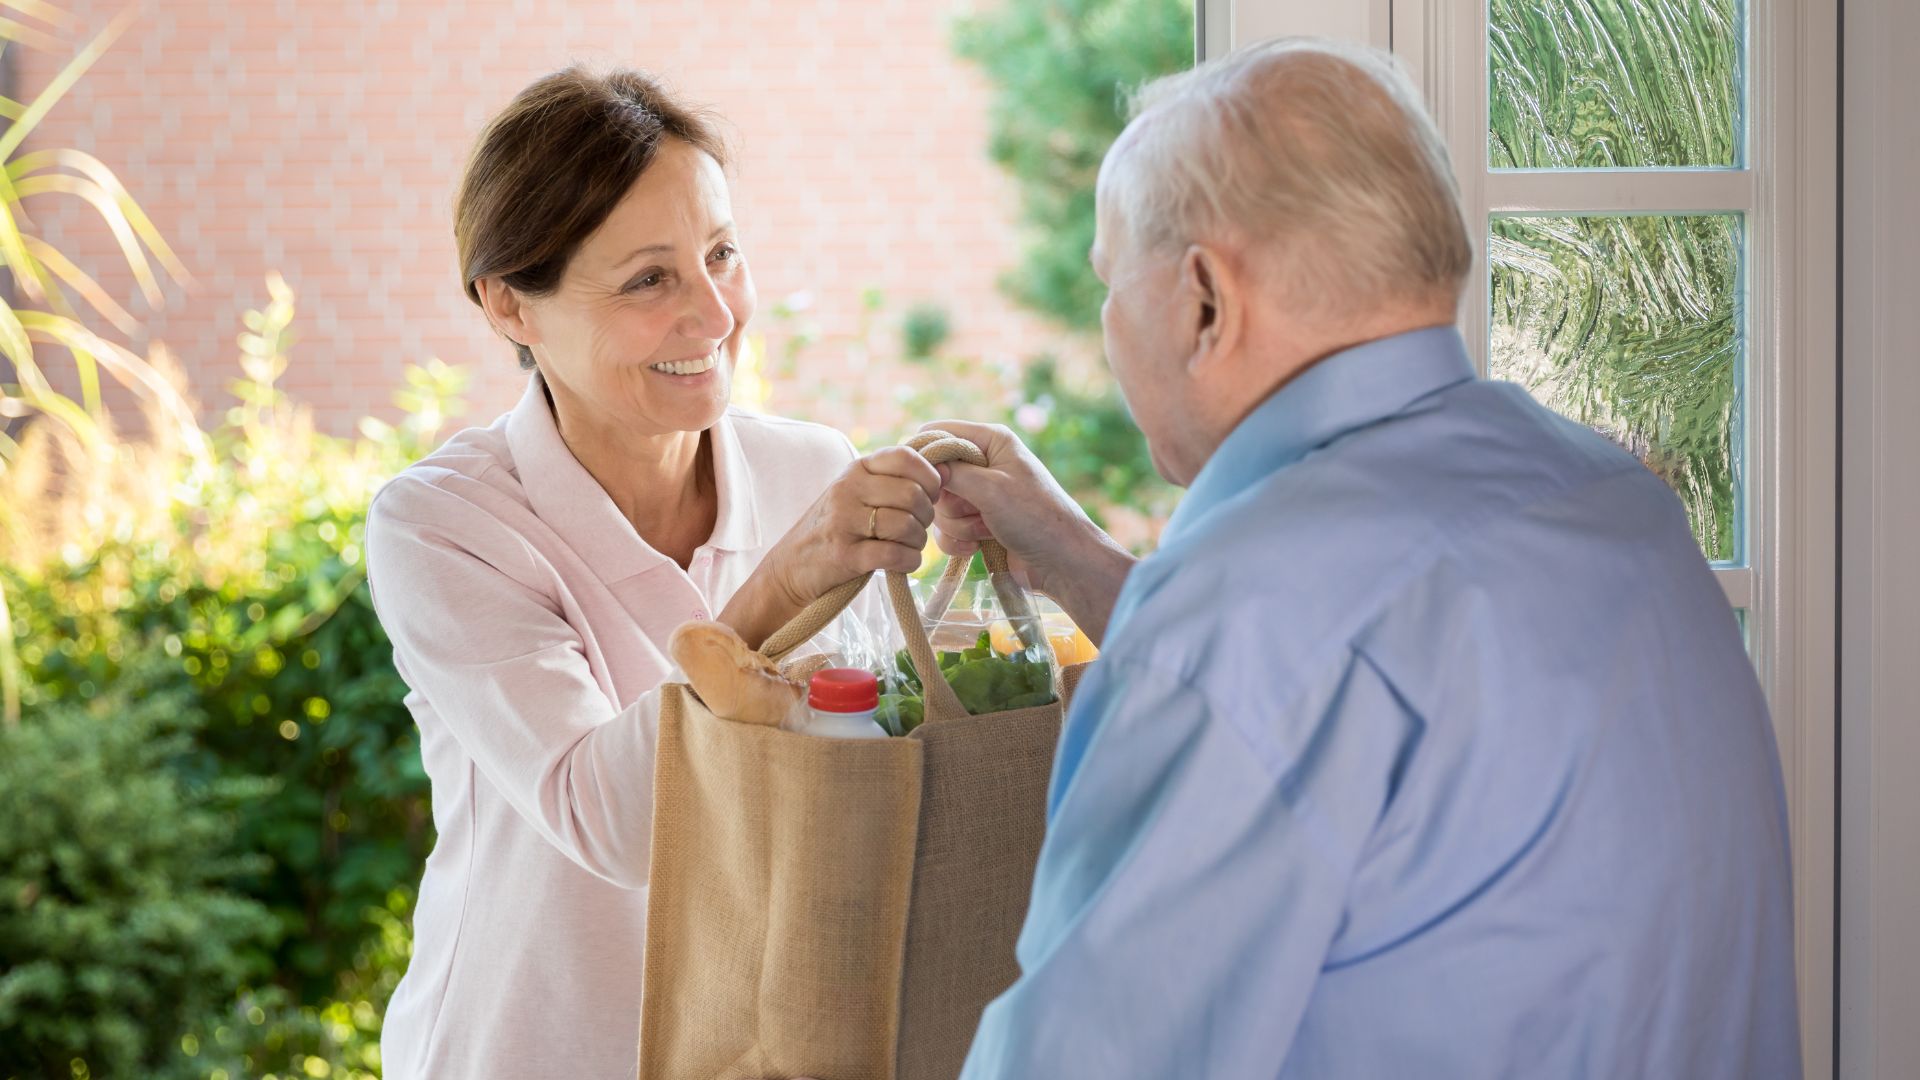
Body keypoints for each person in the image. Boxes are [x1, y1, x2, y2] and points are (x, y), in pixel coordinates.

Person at [930, 38, 1801, 1078]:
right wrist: (1076, 557)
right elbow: (1364, 712)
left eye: (1111, 284)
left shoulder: (1243, 623)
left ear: (1205, 300)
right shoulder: (1618, 508)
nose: (1108, 325)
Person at [363, 68, 940, 1080]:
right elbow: (613, 824)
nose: (715, 314)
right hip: (529, 1049)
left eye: (722, 254)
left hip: (764, 1046)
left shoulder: (810, 470)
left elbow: (872, 760)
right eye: (649, 280)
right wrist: (785, 582)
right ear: (510, 307)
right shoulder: (443, 524)